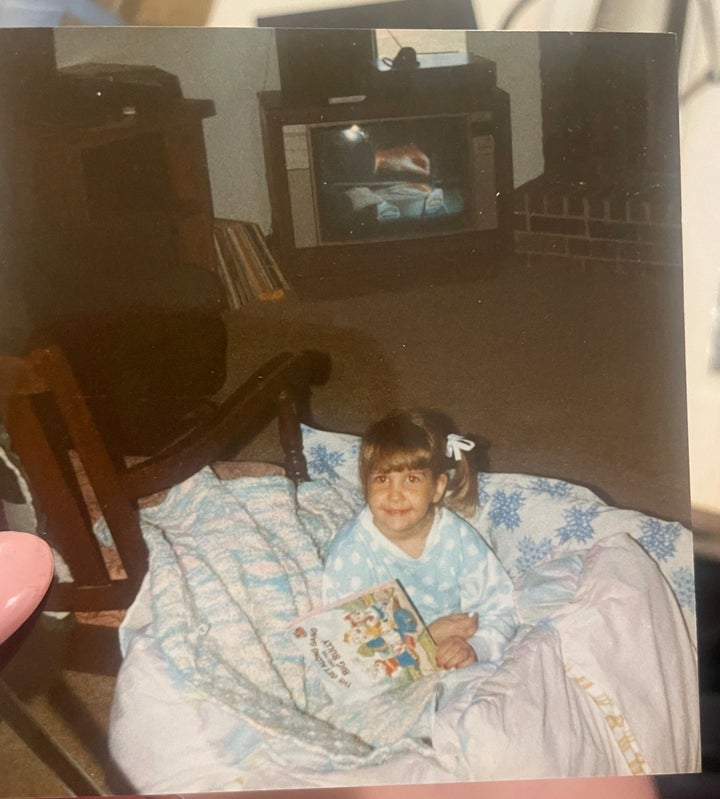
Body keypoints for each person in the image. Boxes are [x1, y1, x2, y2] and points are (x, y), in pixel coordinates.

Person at [323, 408, 517, 671]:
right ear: (365, 485)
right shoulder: (351, 553)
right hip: (394, 677)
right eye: (382, 479)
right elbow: (350, 652)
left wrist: (476, 647)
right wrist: (426, 638)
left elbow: (499, 605)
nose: (395, 495)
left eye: (411, 480)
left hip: (456, 662)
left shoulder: (455, 537)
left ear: (437, 488)